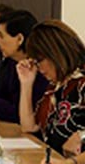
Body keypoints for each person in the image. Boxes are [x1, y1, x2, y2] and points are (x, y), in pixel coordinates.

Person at [17, 20, 85, 154]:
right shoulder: (57, 86)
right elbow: (29, 127)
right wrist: (26, 83)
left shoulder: (81, 82)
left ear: (55, 52)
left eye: (39, 61)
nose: (39, 69)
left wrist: (83, 136)